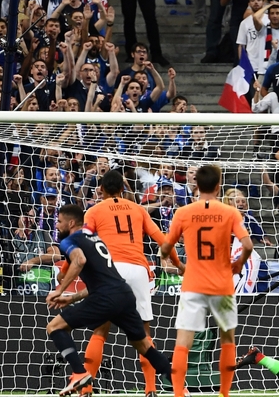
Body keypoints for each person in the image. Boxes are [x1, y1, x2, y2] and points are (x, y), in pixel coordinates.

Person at [44, 204, 175, 397]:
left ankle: (79, 374)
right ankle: (179, 385)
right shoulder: (97, 240)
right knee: (144, 346)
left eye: (59, 221)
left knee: (55, 327)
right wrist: (70, 299)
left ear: (71, 223)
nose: (57, 226)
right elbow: (101, 280)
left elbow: (79, 261)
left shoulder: (70, 241)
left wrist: (59, 290)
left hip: (105, 298)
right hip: (124, 294)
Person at [79, 170, 180, 397]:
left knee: (100, 329)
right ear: (123, 190)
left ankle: (86, 389)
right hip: (137, 269)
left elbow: (83, 243)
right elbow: (162, 240)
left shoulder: (93, 211)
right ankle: (151, 389)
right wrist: (180, 265)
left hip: (110, 270)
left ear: (101, 190)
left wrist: (66, 269)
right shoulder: (138, 209)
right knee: (143, 333)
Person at [160, 165, 254, 397]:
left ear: (196, 186)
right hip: (221, 284)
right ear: (219, 186)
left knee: (183, 340)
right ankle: (224, 393)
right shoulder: (230, 212)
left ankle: (178, 393)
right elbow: (248, 245)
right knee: (227, 339)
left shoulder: (183, 212)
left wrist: (180, 265)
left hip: (193, 283)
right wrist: (240, 263)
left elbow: (164, 248)